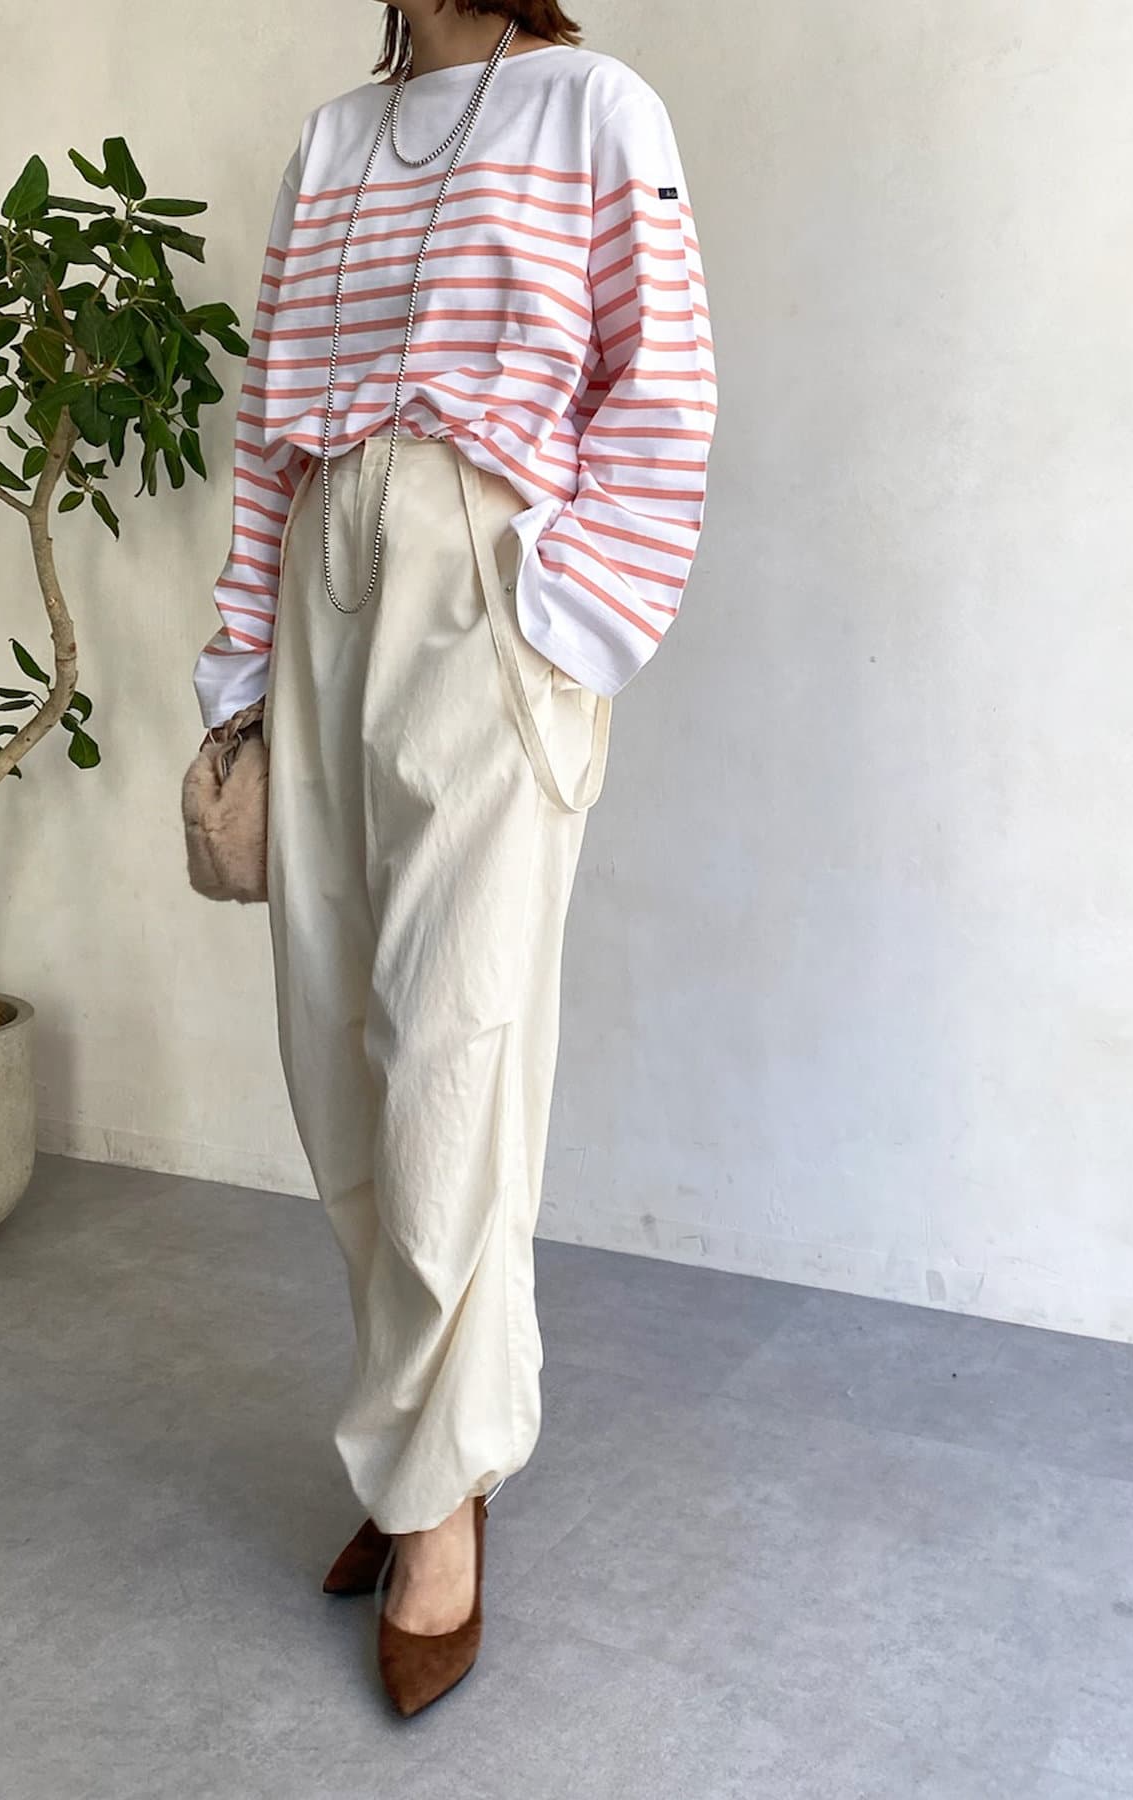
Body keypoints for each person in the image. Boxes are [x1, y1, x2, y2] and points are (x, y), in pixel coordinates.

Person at [191, 0, 717, 1715]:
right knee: (334, 1042)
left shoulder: (593, 105)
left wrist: (565, 616)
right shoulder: (333, 137)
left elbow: (663, 385)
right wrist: (240, 663)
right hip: (324, 587)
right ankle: (431, 1442)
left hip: (487, 590)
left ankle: (435, 1503)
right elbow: (271, 434)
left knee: (452, 1050)